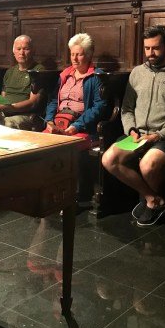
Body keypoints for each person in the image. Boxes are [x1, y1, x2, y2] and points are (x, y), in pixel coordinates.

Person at [101, 25, 165, 226]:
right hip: (138, 135)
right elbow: (126, 108)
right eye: (147, 48)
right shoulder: (137, 73)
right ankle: (153, 199)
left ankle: (149, 202)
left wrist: (158, 135)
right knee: (108, 159)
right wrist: (131, 130)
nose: (151, 53)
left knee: (148, 164)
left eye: (156, 48)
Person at [44, 33, 107, 210]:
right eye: (72, 54)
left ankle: (73, 196)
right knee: (39, 146)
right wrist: (49, 120)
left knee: (67, 148)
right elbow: (53, 100)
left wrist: (76, 126)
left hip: (83, 128)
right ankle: (48, 191)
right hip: (58, 124)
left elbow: (99, 107)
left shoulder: (96, 76)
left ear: (89, 55)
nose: (74, 58)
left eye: (79, 54)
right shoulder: (65, 74)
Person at [0, 35, 45, 131]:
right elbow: (3, 97)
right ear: (14, 52)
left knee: (7, 123)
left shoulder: (38, 70)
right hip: (5, 111)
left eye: (26, 49)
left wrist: (9, 107)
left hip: (26, 115)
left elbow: (33, 103)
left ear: (33, 51)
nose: (21, 53)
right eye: (18, 49)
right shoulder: (10, 72)